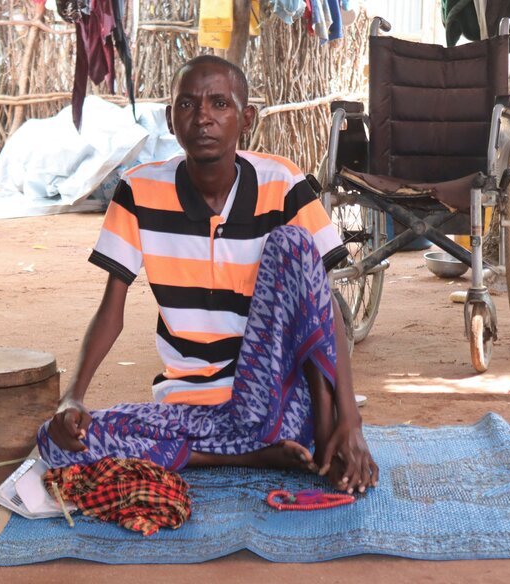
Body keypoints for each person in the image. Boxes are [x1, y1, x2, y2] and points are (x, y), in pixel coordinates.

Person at [37, 54, 378, 494]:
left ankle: (325, 430)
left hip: (273, 402)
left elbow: (322, 304)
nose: (202, 118)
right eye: (187, 105)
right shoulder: (137, 192)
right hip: (188, 409)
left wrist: (350, 419)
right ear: (169, 118)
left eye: (220, 104)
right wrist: (73, 396)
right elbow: (111, 313)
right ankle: (249, 456)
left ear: (246, 117)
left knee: (294, 245)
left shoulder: (283, 184)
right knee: (57, 441)